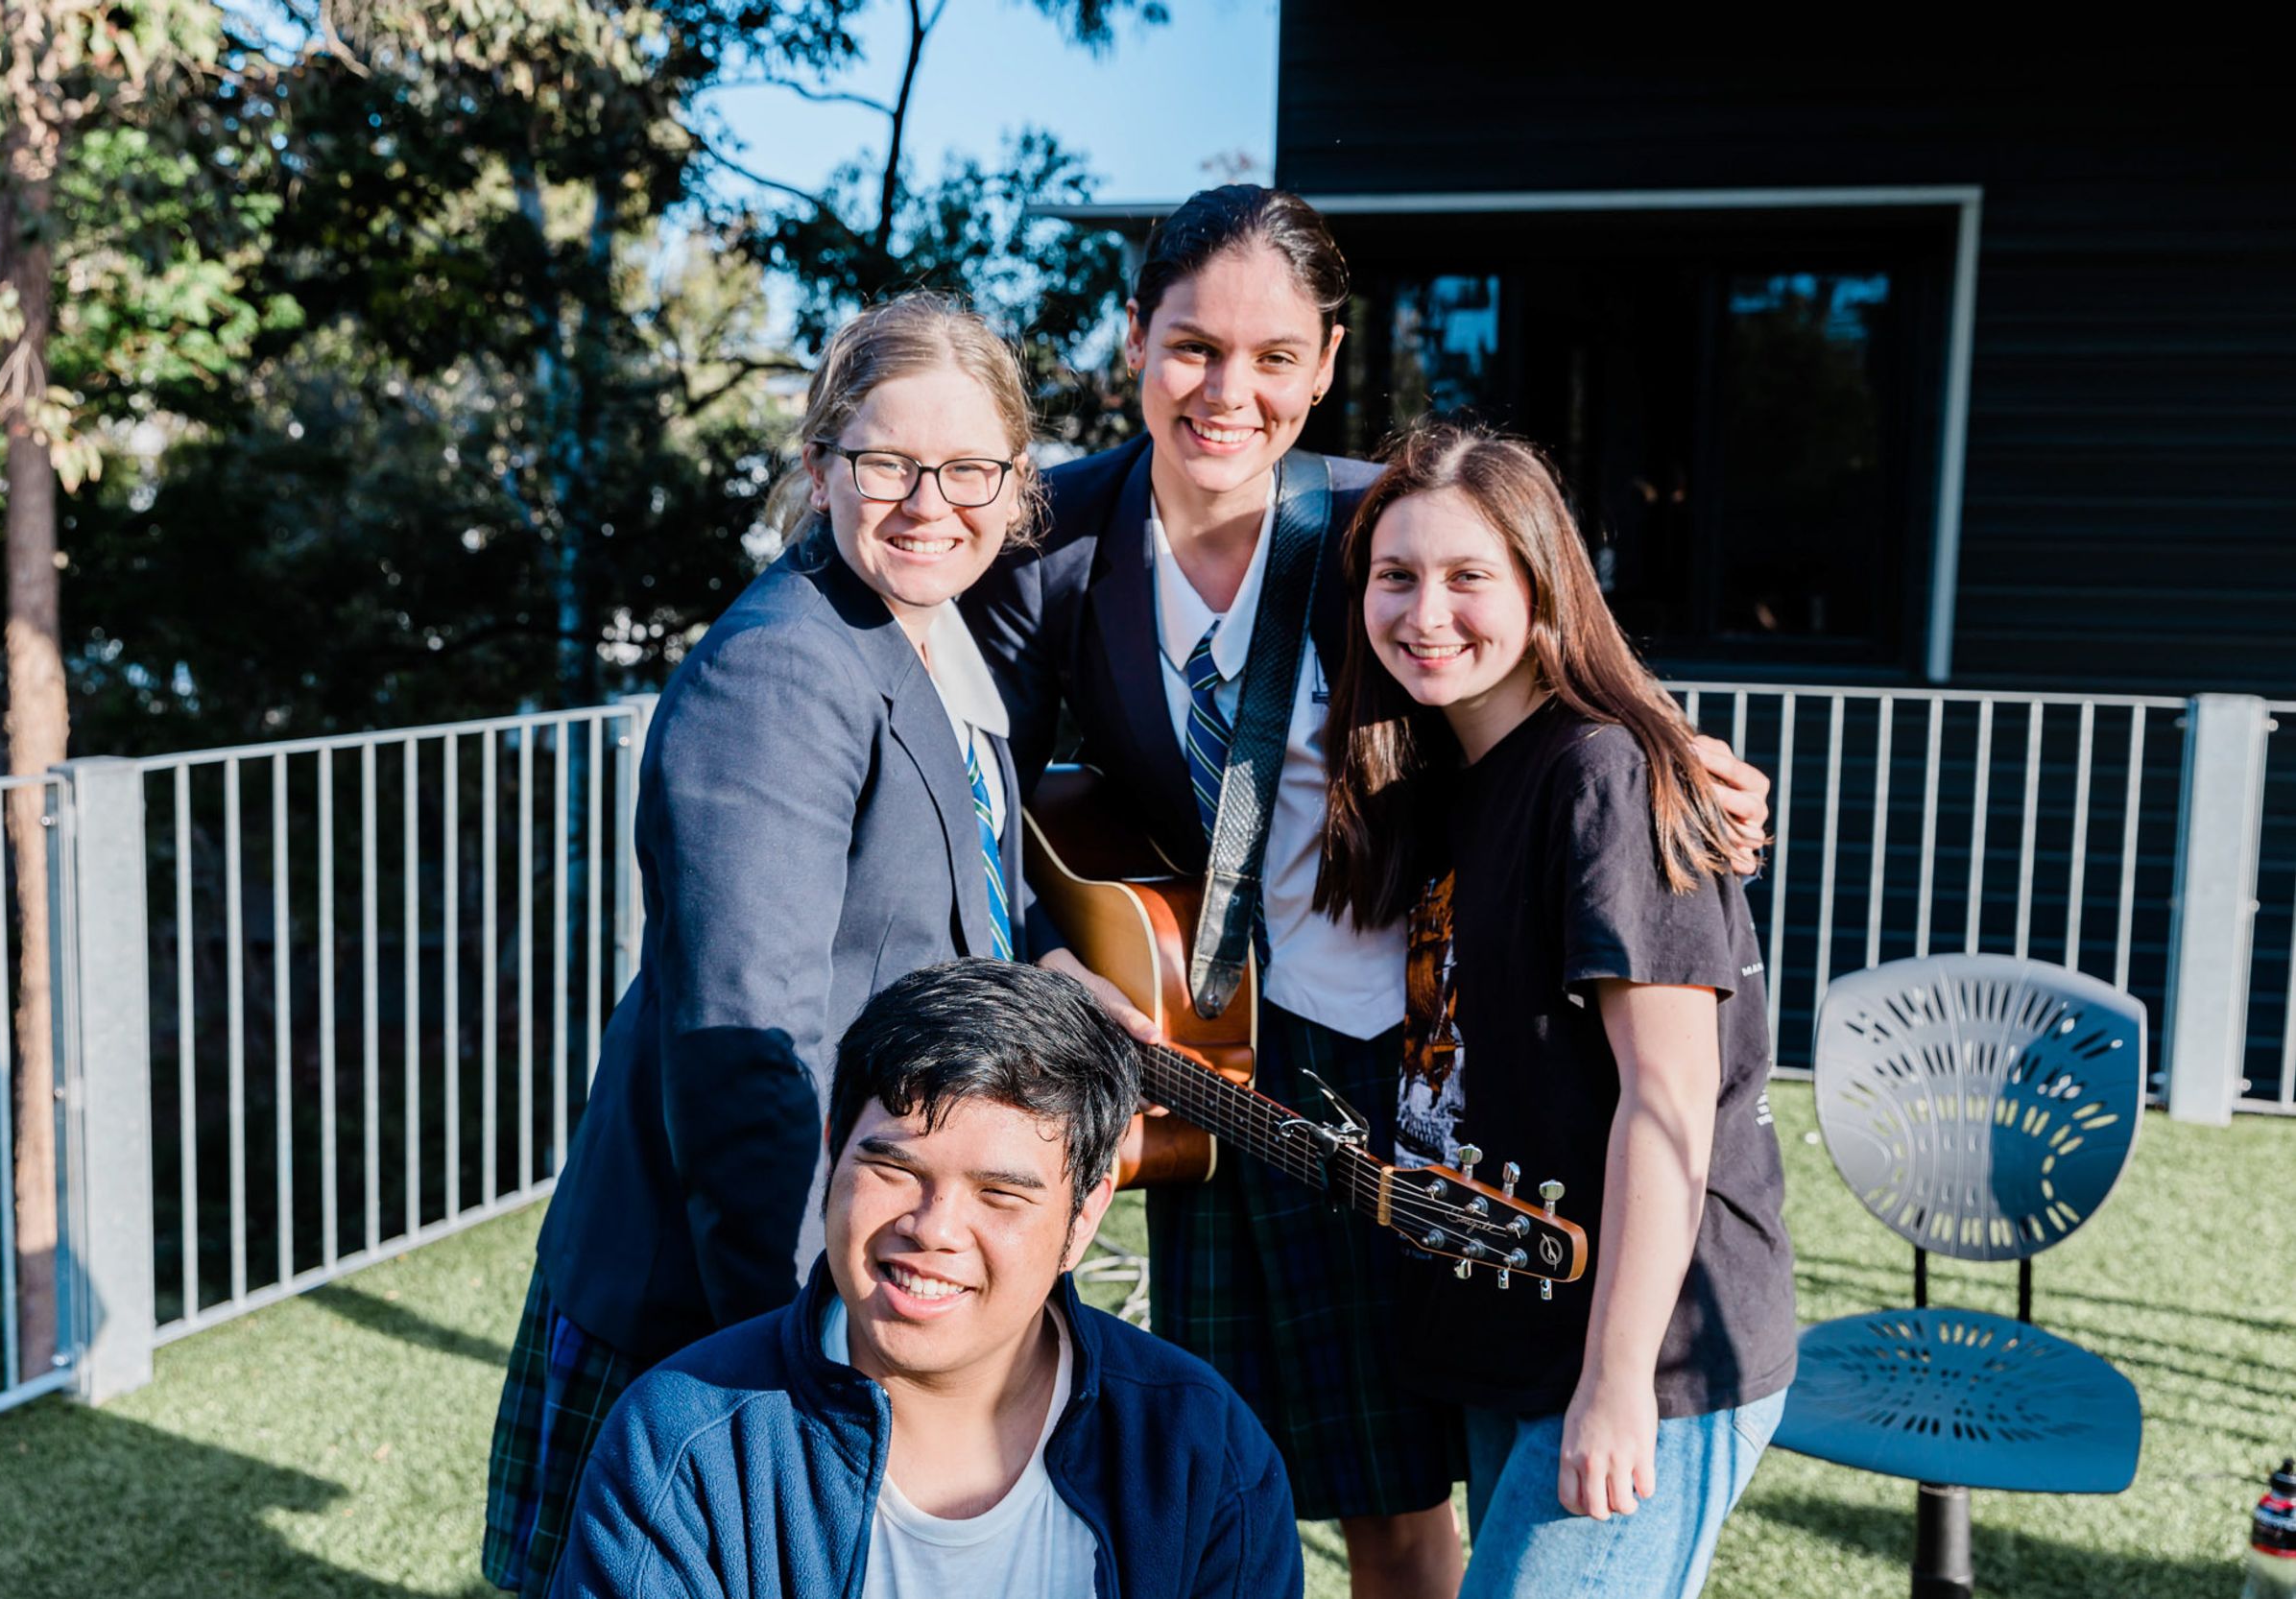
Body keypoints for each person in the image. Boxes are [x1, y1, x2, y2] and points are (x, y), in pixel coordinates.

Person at [962, 183, 1773, 1598]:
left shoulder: (1379, 525)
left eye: (1275, 356)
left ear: (1328, 362)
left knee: (1400, 1494)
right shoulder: (1052, 544)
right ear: (1135, 338)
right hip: (1217, 1060)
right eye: (1193, 347)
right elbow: (973, 793)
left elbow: (1540, 653)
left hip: (1420, 1067)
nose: (1229, 393)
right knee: (1222, 1466)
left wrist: (1664, 740)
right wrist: (1044, 953)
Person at [483, 294, 1045, 1598]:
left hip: (862, 1254)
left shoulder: (936, 639)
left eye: (968, 468)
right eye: (886, 462)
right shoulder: (780, 671)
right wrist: (811, 1345)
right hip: (734, 1286)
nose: (928, 503)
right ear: (820, 465)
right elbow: (748, 1055)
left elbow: (960, 900)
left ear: (1015, 483)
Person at [1313, 421, 1798, 1599]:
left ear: (1543, 590)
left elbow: (1668, 1098)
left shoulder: (1603, 775)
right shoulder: (1447, 778)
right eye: (1395, 576)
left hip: (1649, 1350)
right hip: (1513, 1323)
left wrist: (1618, 1380)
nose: (1426, 613)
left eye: (1468, 576)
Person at [551, 958, 1303, 1599]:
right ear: (833, 1153)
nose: (934, 1228)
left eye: (1000, 1194)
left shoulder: (1201, 1451)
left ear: (1084, 1216)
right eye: (894, 1168)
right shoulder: (680, 1446)